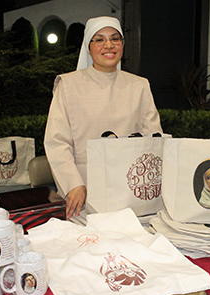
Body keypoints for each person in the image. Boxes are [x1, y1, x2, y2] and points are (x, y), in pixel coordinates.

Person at [44, 16, 162, 219]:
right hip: (84, 191)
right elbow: (57, 142)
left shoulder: (139, 86)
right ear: (88, 47)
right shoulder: (68, 85)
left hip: (131, 192)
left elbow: (153, 141)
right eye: (99, 39)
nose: (109, 45)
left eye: (115, 39)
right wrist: (74, 184)